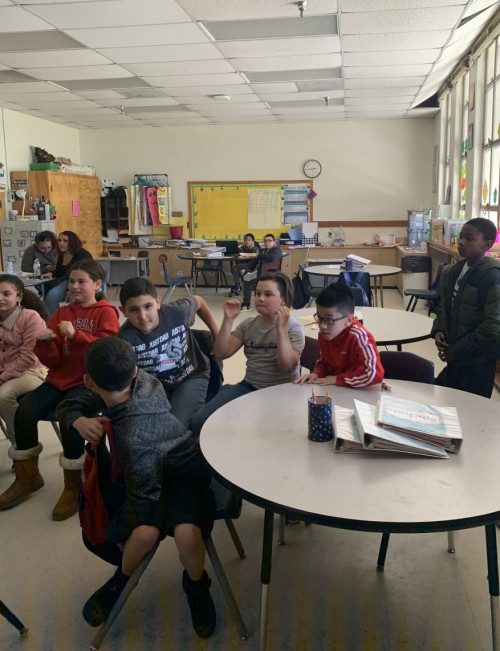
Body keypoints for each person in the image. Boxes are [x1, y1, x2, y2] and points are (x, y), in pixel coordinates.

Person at [56, 337, 216, 637]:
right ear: (134, 370)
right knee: (144, 534)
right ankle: (121, 580)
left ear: (88, 381)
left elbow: (143, 499)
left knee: (187, 535)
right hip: (148, 475)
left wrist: (115, 533)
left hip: (183, 477)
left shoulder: (134, 435)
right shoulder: (141, 380)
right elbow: (70, 404)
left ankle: (197, 586)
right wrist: (77, 420)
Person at [0, 260, 120, 520]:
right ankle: (28, 478)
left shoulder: (106, 312)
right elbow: (53, 361)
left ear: (97, 284)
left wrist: (77, 336)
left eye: (81, 282)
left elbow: (107, 353)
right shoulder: (63, 312)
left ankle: (73, 486)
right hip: (59, 379)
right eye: (72, 281)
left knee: (69, 418)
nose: (74, 286)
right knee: (25, 411)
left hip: (89, 383)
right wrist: (45, 344)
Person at [191, 272, 304, 437]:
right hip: (249, 386)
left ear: (284, 300)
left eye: (268, 294)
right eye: (257, 293)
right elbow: (221, 353)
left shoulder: (293, 328)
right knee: (199, 421)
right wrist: (228, 320)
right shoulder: (248, 324)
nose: (260, 299)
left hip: (282, 390)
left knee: (268, 433)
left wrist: (281, 328)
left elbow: (286, 366)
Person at [117, 277, 218, 428]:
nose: (143, 316)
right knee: (147, 427)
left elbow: (199, 301)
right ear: (123, 311)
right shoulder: (124, 338)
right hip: (156, 386)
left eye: (148, 306)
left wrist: (216, 333)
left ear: (158, 302)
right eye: (134, 310)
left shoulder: (178, 312)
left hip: (191, 376)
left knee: (175, 426)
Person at [432, 217, 500, 398]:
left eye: (469, 238)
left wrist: (455, 351)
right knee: (450, 402)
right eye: (461, 236)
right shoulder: (452, 271)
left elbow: (493, 328)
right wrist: (439, 330)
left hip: (478, 363)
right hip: (455, 359)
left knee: (472, 408)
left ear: (487, 244)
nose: (461, 242)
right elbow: (443, 309)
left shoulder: (493, 276)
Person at [294, 284, 383, 387]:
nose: (322, 326)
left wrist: (337, 379)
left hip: (360, 391)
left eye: (329, 320)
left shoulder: (359, 337)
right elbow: (325, 363)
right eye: (319, 318)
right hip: (337, 389)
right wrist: (317, 374)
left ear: (349, 320)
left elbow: (374, 374)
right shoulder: (325, 334)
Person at [0, 275, 48, 446]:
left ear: (19, 297)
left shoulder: (30, 317)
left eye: (6, 294)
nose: (0, 298)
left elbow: (29, 357)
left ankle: (22, 445)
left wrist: (2, 378)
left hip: (32, 370)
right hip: (5, 370)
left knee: (4, 396)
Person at [44, 231, 93, 315]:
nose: (61, 243)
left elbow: (84, 275)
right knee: (48, 291)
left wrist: (70, 289)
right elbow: (60, 272)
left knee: (54, 295)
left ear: (72, 242)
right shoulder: (62, 254)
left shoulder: (83, 255)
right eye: (59, 240)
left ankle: (72, 320)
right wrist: (52, 273)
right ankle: (52, 320)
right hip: (67, 279)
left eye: (65, 241)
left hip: (81, 281)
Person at [240, 234, 283, 311]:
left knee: (247, 278)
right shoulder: (263, 250)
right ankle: (246, 304)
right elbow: (254, 262)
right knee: (246, 276)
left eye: (269, 241)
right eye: (265, 241)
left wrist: (259, 255)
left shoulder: (277, 250)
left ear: (274, 242)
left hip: (271, 274)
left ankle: (246, 304)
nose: (267, 242)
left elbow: (272, 258)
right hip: (260, 272)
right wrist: (245, 268)